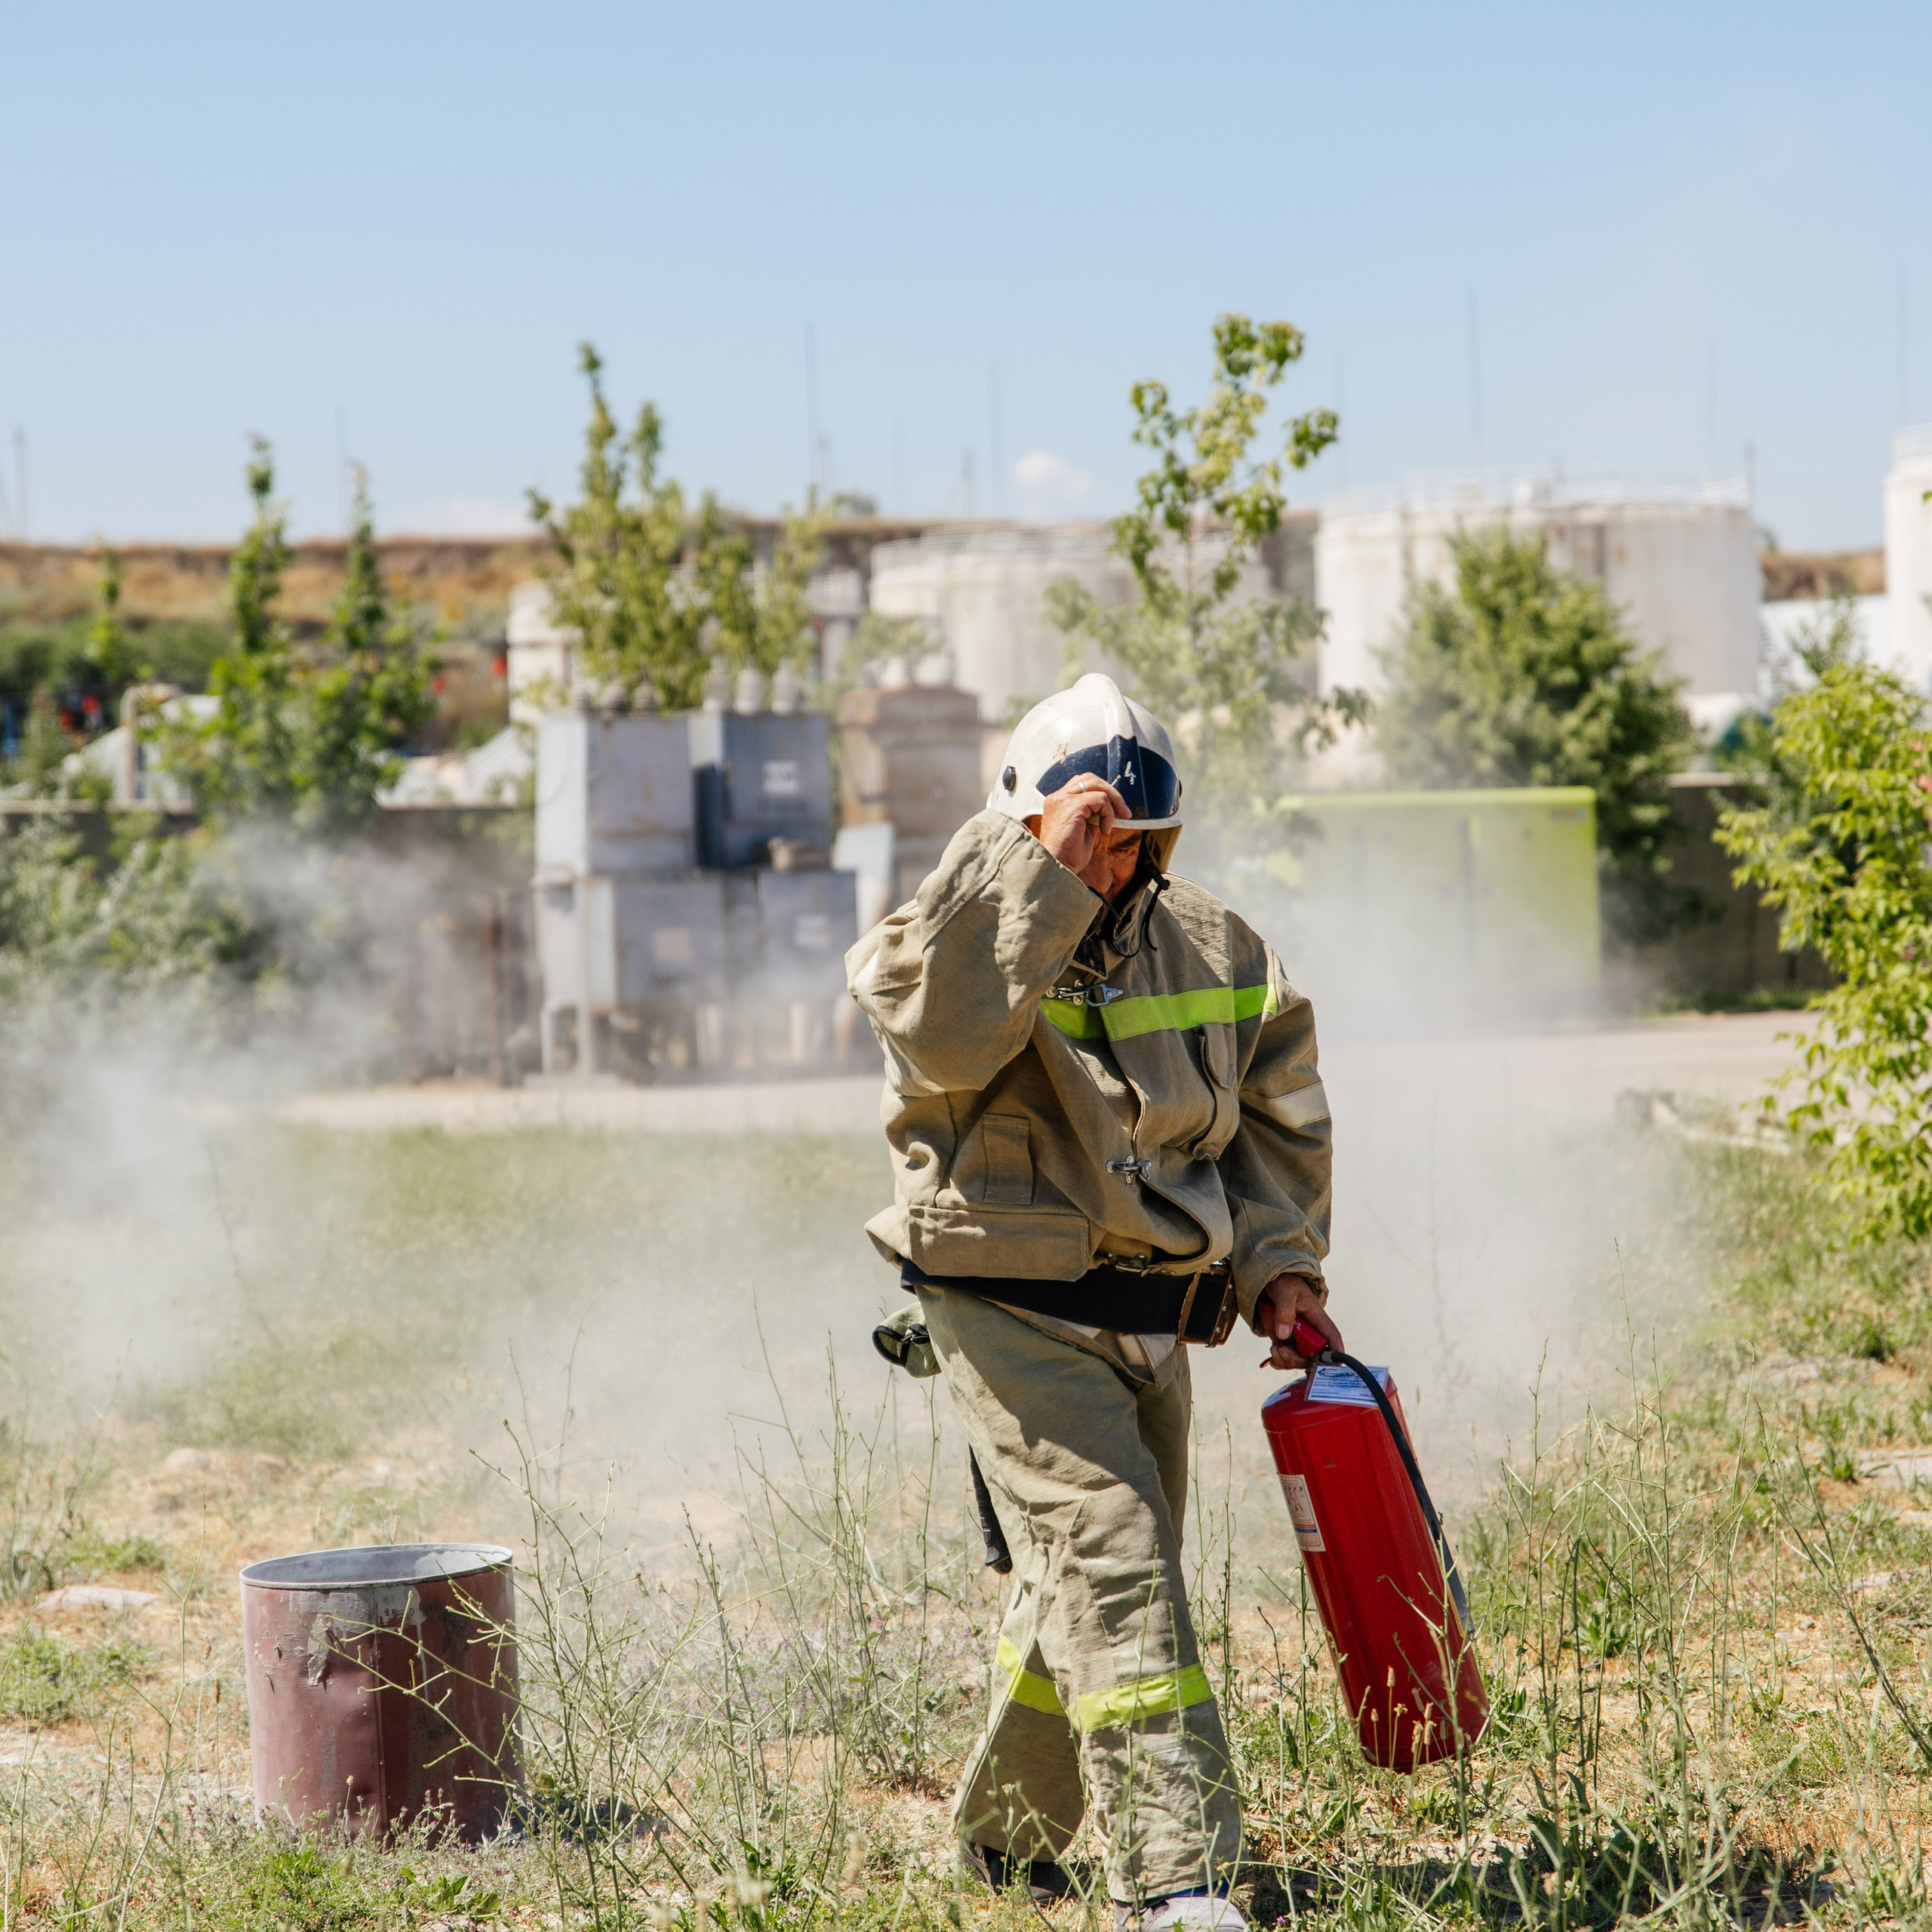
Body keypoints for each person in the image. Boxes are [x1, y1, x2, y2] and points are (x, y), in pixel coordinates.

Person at [846, 674, 1341, 1931]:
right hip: (1007, 1310)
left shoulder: (1218, 949)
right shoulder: (959, 928)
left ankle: (1009, 1837)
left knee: (1098, 1570)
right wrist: (1041, 879)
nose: (1112, 858)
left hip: (1154, 1312)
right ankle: (1176, 1881)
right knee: (1116, 1555)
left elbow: (1278, 1118)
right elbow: (938, 1029)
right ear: (1027, 822)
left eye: (1132, 840)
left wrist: (1279, 1266)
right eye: (1086, 831)